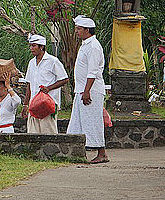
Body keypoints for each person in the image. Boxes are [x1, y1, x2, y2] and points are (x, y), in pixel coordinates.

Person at [66, 15, 109, 164]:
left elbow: (93, 71)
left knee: (93, 120)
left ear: (87, 30)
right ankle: (78, 152)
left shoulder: (94, 46)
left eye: (79, 29)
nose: (76, 31)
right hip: (81, 90)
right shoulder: (85, 45)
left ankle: (102, 153)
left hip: (90, 90)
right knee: (78, 121)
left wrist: (87, 91)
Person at [21, 34, 69, 134]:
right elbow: (29, 85)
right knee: (32, 134)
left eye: (34, 46)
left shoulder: (53, 61)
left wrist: (49, 88)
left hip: (48, 103)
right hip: (33, 104)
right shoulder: (31, 63)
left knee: (49, 133)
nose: (31, 48)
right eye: (30, 46)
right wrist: (25, 104)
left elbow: (64, 79)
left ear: (41, 46)